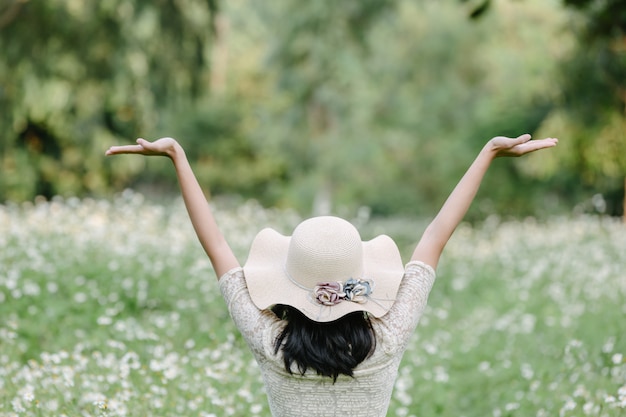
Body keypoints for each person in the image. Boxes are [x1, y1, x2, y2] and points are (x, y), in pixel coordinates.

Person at [105, 134, 558, 417]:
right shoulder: (388, 338)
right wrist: (488, 153)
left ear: (288, 281)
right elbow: (435, 237)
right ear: (359, 282)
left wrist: (178, 157)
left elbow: (217, 246)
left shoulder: (269, 342)